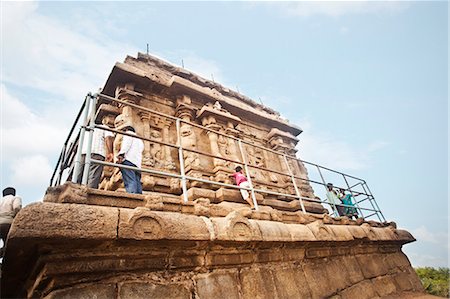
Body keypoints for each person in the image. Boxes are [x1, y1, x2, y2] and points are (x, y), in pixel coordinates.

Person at [76, 121, 114, 188]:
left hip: (83, 154)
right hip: (97, 153)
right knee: (93, 176)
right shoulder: (104, 127)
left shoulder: (86, 129)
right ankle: (90, 194)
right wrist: (110, 152)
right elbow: (108, 138)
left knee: (79, 176)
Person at [117, 126, 144, 194]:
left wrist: (121, 154)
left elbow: (126, 145)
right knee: (137, 181)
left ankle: (132, 197)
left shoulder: (128, 134)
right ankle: (139, 198)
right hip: (137, 163)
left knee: (130, 180)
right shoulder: (140, 140)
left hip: (128, 160)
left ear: (126, 130)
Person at [0, 187, 22, 256]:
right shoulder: (15, 198)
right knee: (9, 246)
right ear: (13, 193)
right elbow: (17, 207)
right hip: (8, 223)